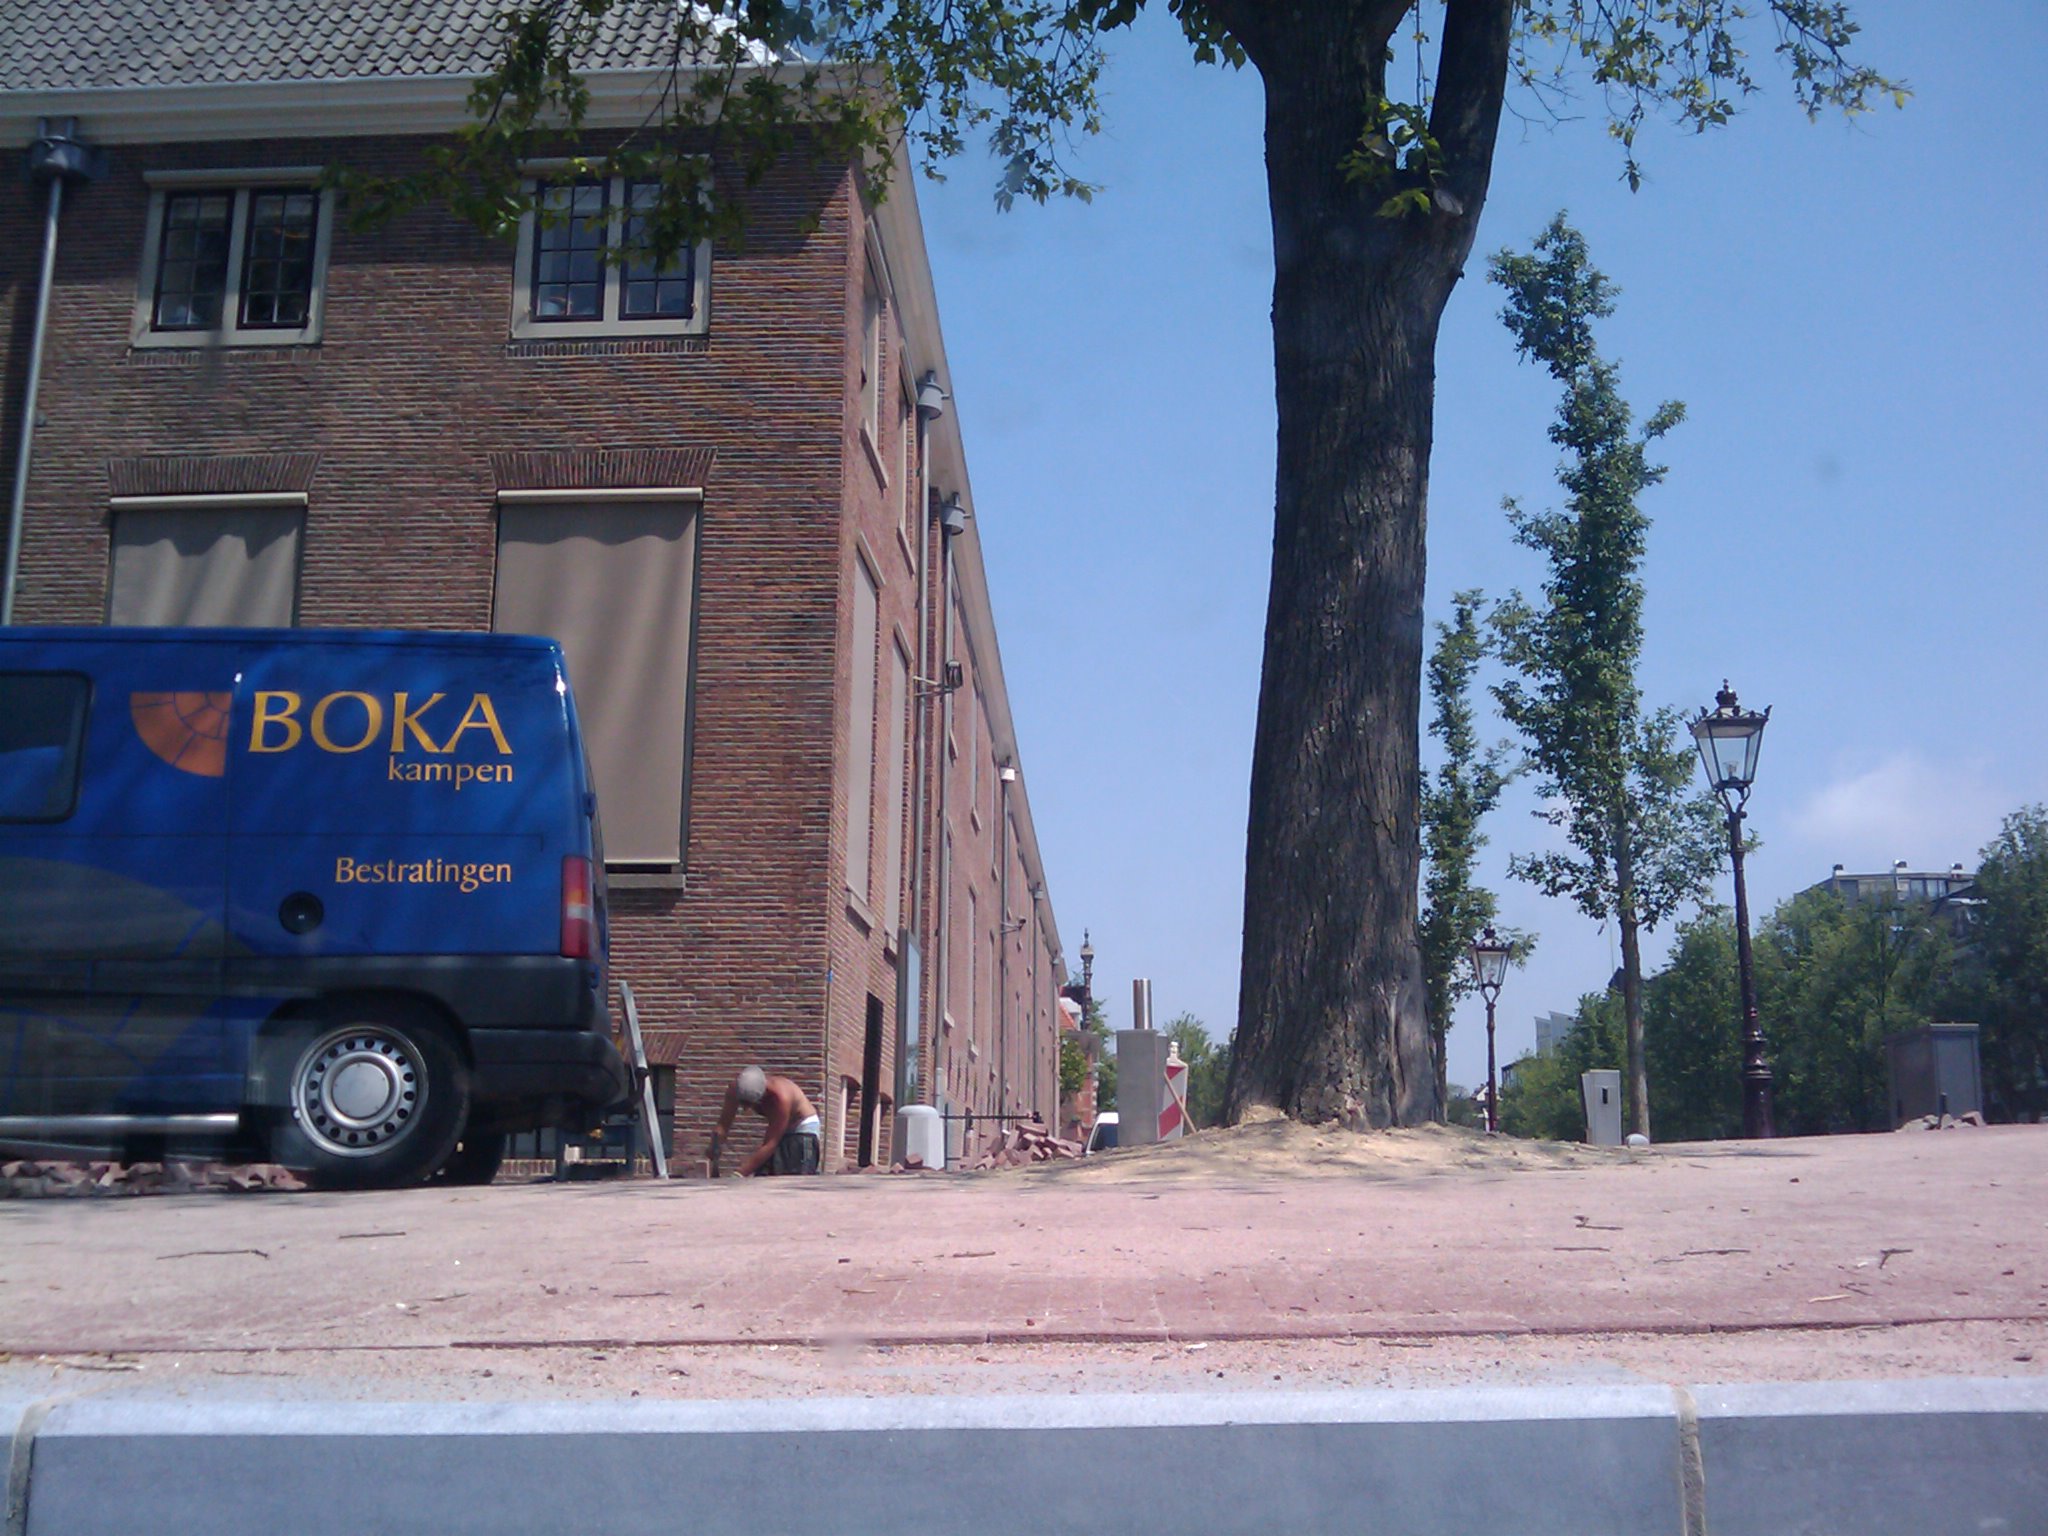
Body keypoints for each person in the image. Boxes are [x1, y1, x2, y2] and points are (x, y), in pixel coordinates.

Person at [707, 1066, 822, 1176]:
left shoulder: (781, 1098)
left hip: (802, 1127)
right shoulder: (734, 1090)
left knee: (797, 1173)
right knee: (765, 1173)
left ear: (764, 1094)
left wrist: (740, 1173)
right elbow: (723, 1124)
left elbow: (770, 1144)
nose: (746, 1109)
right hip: (781, 1126)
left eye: (750, 1104)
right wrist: (715, 1145)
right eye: (743, 1103)